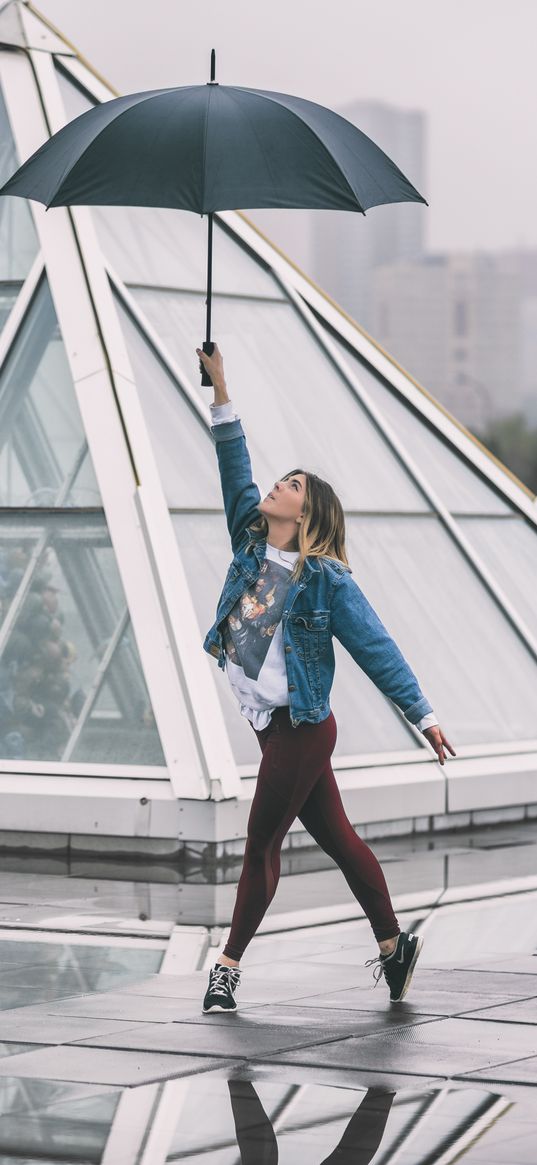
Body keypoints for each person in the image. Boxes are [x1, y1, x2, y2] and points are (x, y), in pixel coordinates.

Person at [197, 344, 456, 1015]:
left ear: (304, 516)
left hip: (302, 728)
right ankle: (394, 945)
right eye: (280, 481)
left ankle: (225, 969)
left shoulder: (324, 581)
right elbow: (234, 468)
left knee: (260, 844)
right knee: (339, 840)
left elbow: (375, 646)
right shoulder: (251, 546)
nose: (276, 487)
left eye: (291, 486)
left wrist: (420, 713)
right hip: (271, 725)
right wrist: (221, 385)